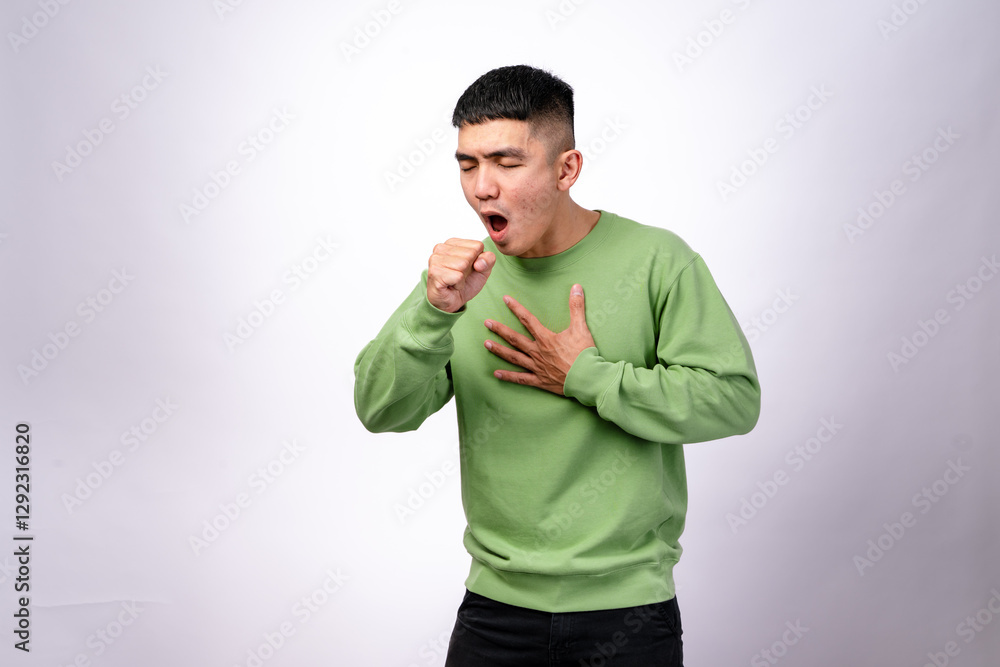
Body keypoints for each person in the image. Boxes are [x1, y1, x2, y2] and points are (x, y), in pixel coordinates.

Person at [354, 64, 760, 666]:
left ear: (566, 169)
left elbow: (733, 400)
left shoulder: (659, 260)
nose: (482, 187)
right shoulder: (459, 282)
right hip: (495, 611)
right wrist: (434, 312)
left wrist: (585, 376)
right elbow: (379, 410)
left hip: (629, 613)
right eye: (467, 165)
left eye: (506, 163)